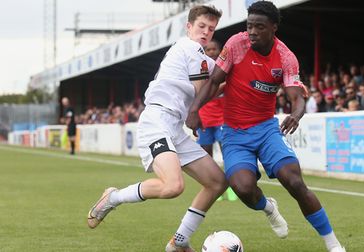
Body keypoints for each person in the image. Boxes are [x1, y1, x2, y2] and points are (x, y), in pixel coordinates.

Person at [186, 2, 345, 251]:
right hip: (235, 134)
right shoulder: (236, 45)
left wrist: (296, 113)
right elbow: (214, 81)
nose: (252, 32)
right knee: (243, 188)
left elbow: (296, 96)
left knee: (294, 182)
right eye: (249, 26)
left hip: (266, 130)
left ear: (273, 27)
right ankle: (269, 207)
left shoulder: (285, 57)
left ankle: (333, 244)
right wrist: (194, 110)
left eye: (259, 27)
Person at [86, 5, 227, 252]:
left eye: (211, 28)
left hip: (173, 126)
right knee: (174, 186)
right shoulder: (189, 47)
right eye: (201, 26)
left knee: (217, 182)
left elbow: (220, 82)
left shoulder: (203, 58)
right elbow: (203, 92)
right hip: (158, 121)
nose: (206, 32)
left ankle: (179, 242)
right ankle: (113, 198)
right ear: (189, 27)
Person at [199, 39, 237, 201]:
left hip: (223, 118)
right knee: (206, 156)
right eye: (208, 49)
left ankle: (232, 187)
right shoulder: (201, 69)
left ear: (221, 51)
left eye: (215, 49)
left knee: (226, 152)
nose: (212, 52)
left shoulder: (226, 68)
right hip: (205, 118)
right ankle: (213, 186)